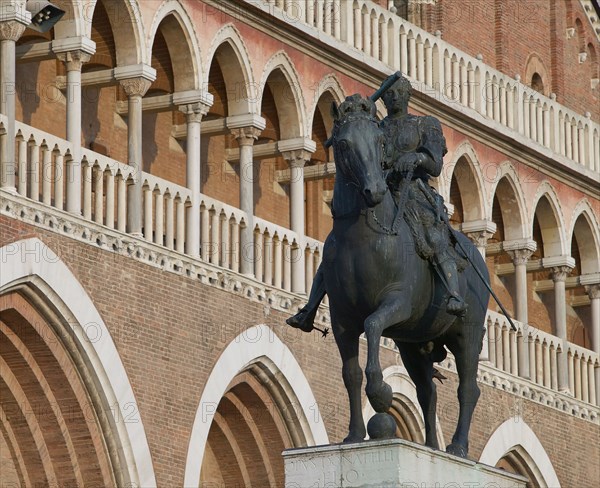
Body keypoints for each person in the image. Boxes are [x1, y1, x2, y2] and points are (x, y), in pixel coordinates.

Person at [287, 73, 465, 333]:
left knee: (433, 236)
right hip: (383, 189)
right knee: (339, 243)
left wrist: (415, 158)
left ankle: (453, 293)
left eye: (399, 93)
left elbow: (435, 164)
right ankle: (310, 308)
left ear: (407, 95)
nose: (394, 98)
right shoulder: (376, 127)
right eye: (390, 94)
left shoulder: (425, 124)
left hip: (413, 191)